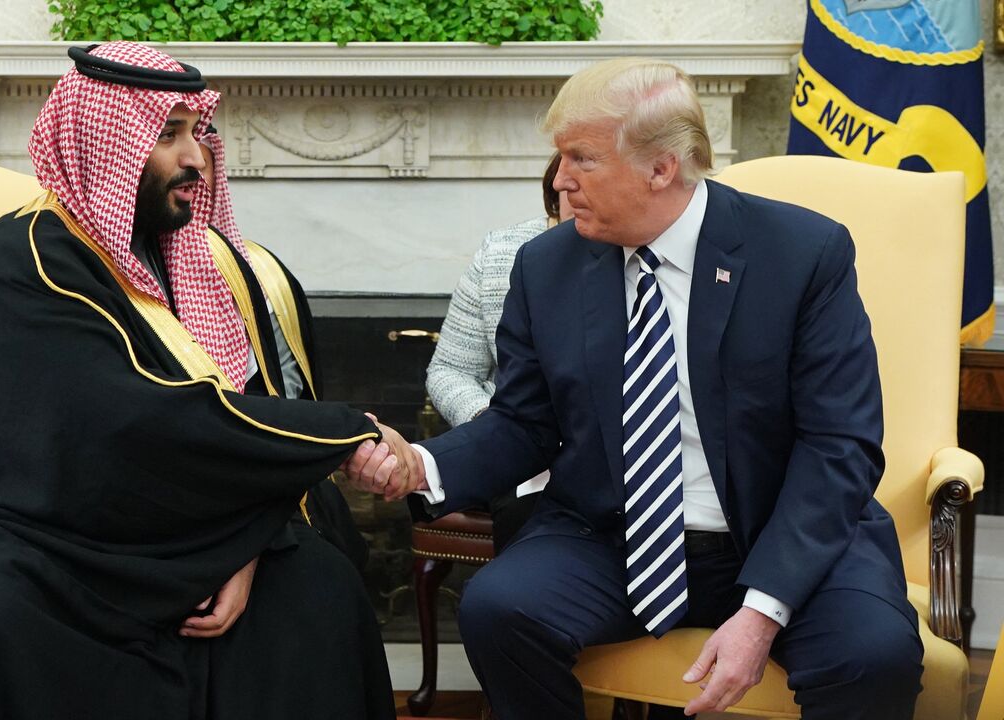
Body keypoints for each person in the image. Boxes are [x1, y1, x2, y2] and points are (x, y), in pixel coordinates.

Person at [346, 57, 922, 720]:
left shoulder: (801, 254)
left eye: (580, 159)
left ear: (661, 168)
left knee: (872, 655)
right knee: (500, 610)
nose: (560, 181)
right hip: (612, 536)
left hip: (782, 531)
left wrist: (762, 609)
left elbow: (838, 445)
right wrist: (420, 463)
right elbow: (523, 425)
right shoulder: (548, 265)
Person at [0, 42, 398, 720]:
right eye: (168, 134)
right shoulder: (21, 263)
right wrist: (351, 432)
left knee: (317, 592)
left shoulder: (221, 270)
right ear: (103, 144)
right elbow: (132, 424)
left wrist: (247, 547)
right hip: (31, 532)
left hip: (188, 527)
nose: (195, 159)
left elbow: (259, 414)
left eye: (198, 132)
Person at [426, 152, 573, 552]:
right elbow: (449, 370)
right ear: (556, 194)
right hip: (521, 456)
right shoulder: (502, 253)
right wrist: (494, 423)